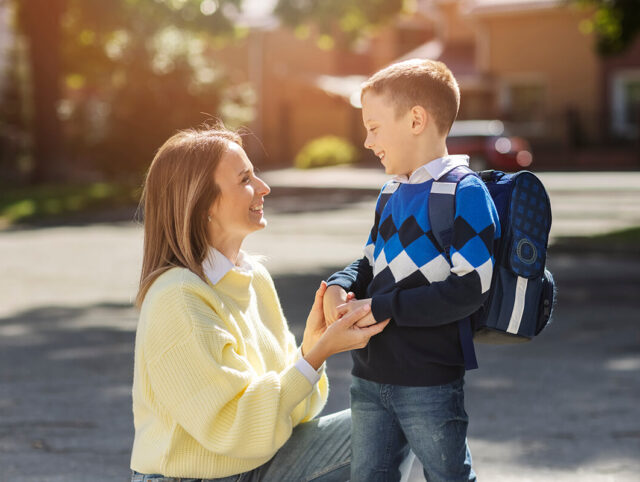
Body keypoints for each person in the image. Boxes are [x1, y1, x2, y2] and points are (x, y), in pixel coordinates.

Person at [129, 125, 389, 481]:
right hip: (196, 477)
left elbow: (293, 415)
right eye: (245, 179)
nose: (264, 188)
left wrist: (310, 348)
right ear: (204, 202)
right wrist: (315, 357)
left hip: (255, 464)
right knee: (384, 428)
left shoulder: (253, 277)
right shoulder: (179, 298)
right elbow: (232, 428)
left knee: (393, 421)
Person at [323, 59, 501, 482]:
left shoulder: (464, 191)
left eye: (374, 127)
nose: (367, 141)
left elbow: (469, 288)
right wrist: (340, 282)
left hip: (429, 380)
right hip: (369, 376)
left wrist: (380, 306)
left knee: (447, 476)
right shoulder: (390, 193)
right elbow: (369, 261)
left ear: (416, 119)